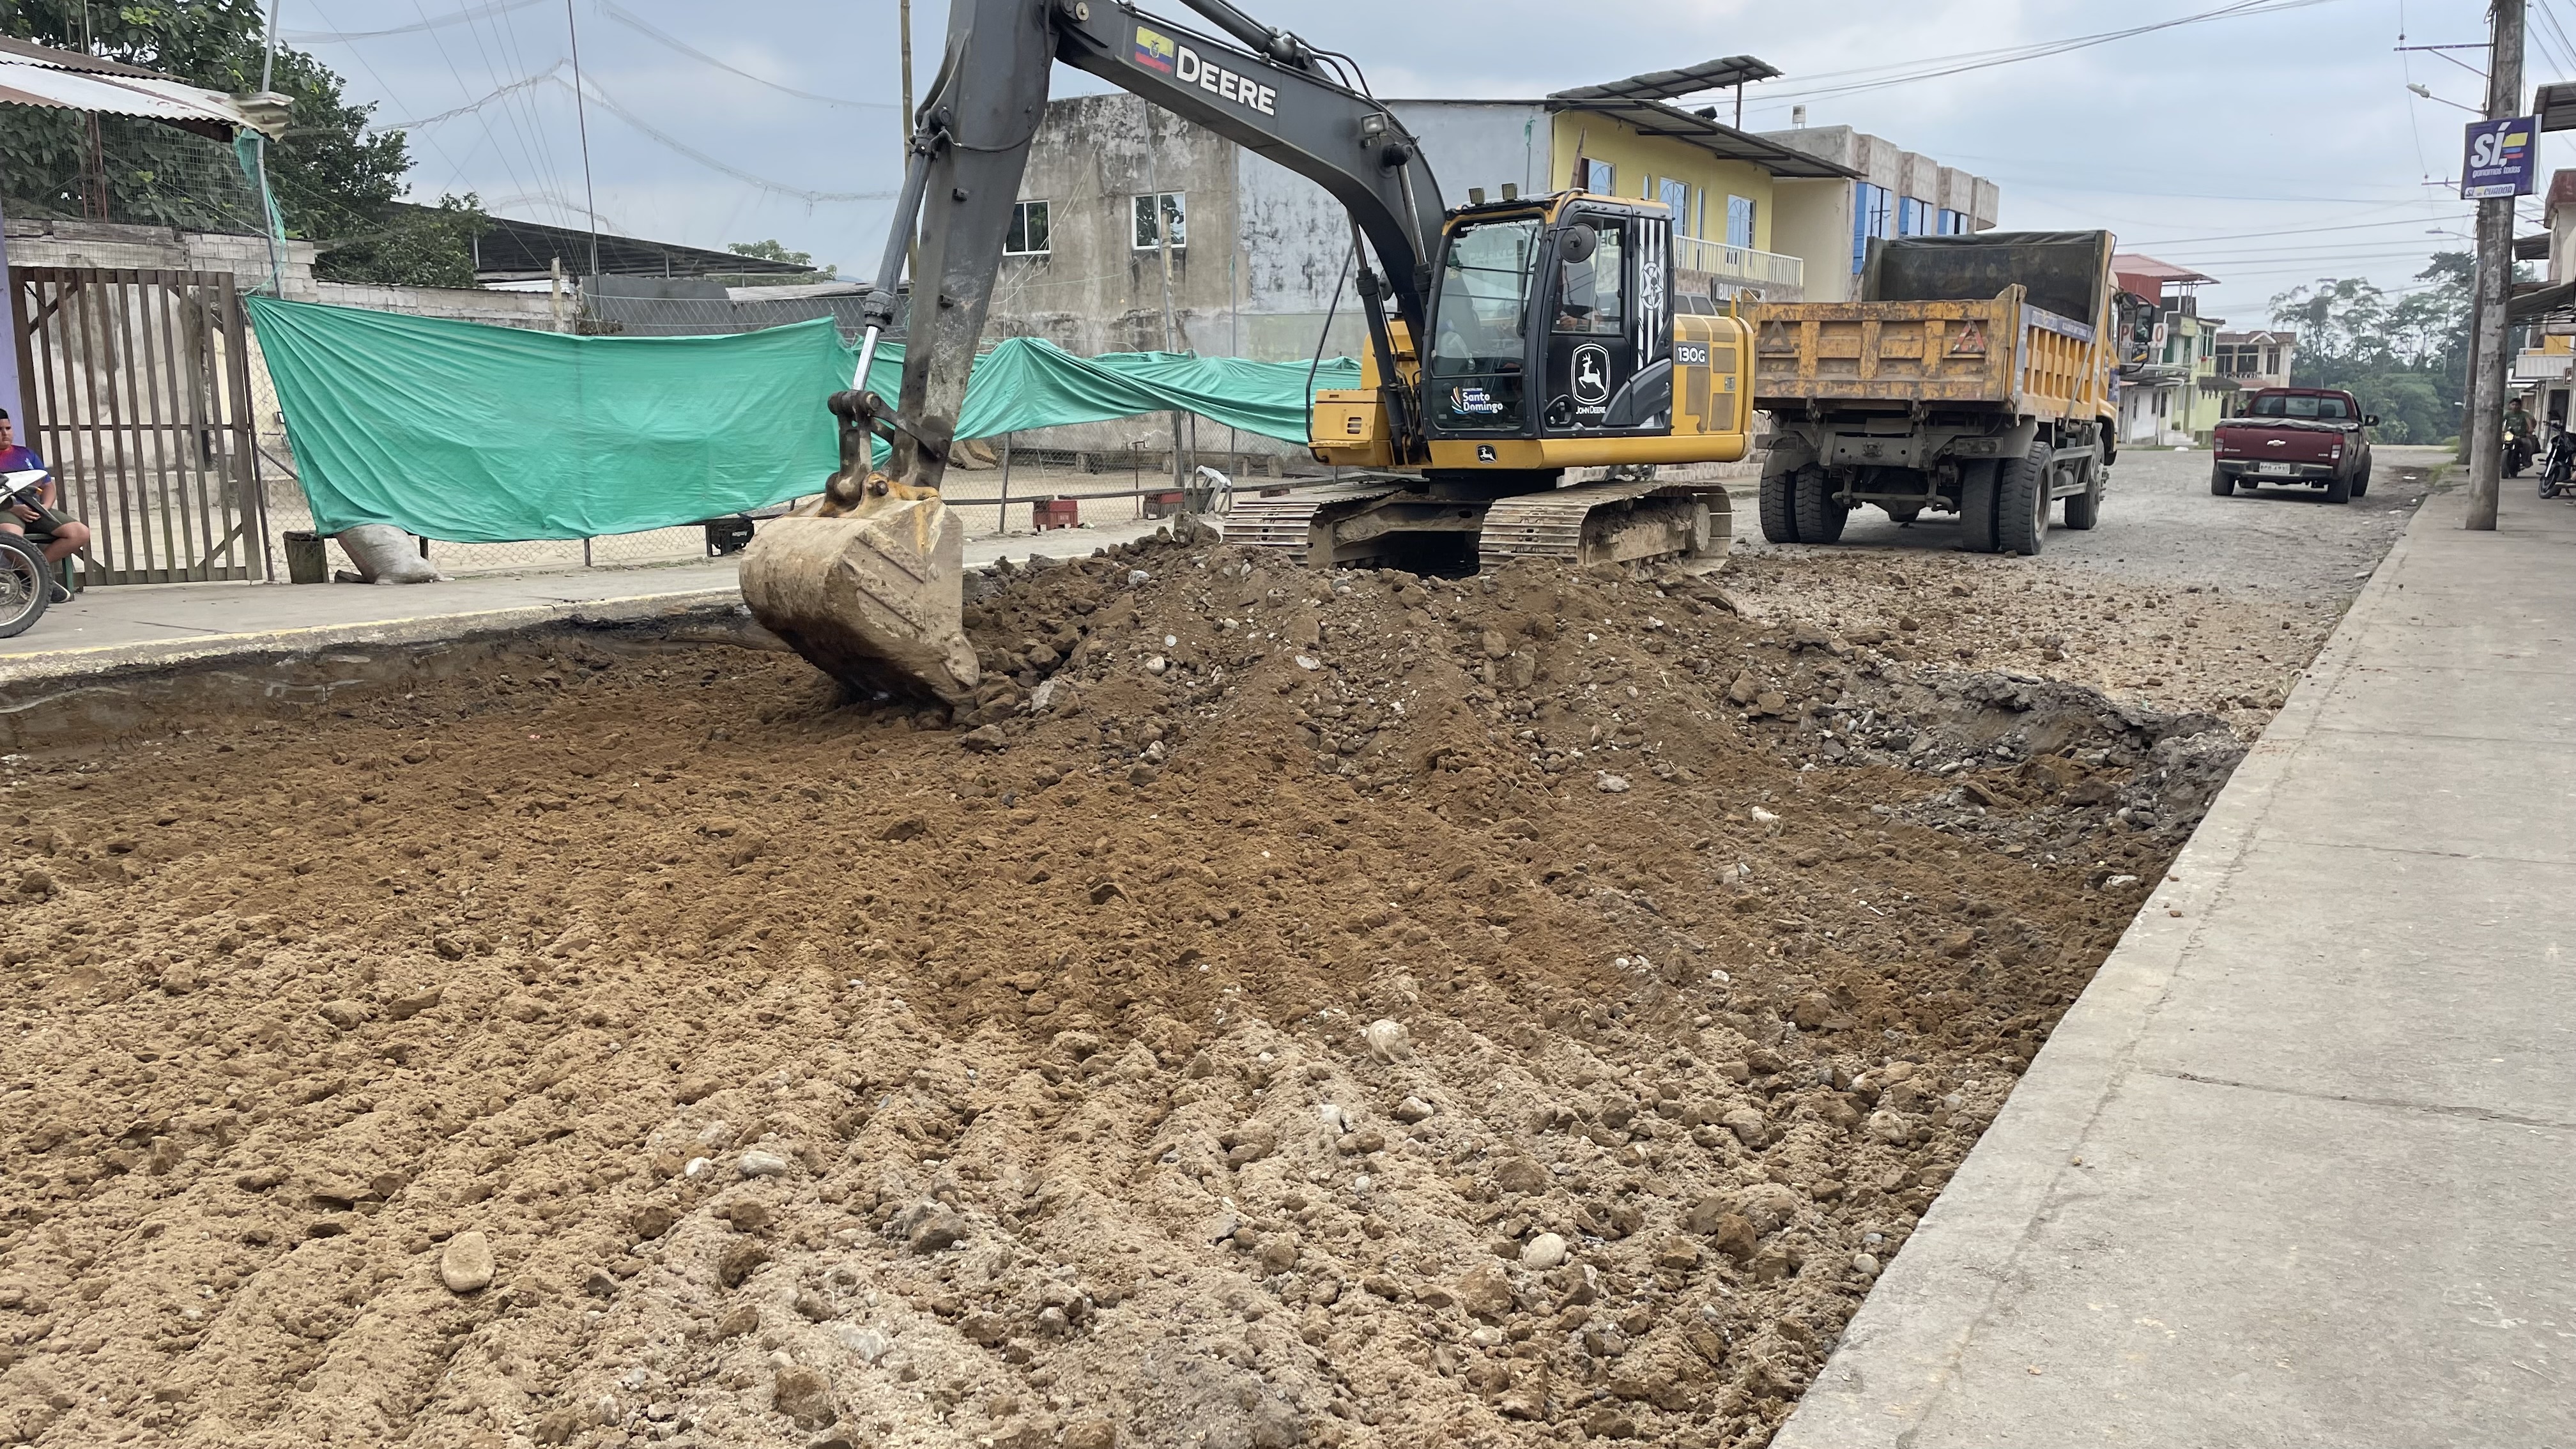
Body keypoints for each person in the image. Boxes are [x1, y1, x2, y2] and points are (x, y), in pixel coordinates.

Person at [0, 409, 86, 601]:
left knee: (79, 533)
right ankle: (41, 579)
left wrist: (44, 507)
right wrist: (13, 508)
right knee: (11, 539)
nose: (5, 433)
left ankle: (30, 574)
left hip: (36, 509)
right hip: (6, 511)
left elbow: (48, 485)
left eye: (8, 428)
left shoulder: (26, 454)